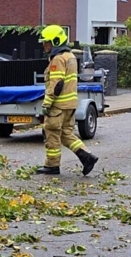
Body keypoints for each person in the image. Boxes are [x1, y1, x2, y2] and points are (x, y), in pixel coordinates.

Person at [35, 25, 98, 176]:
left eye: (47, 42)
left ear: (56, 41)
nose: (44, 45)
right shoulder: (70, 57)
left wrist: (47, 102)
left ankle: (52, 166)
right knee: (66, 134)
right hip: (70, 104)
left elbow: (57, 83)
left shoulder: (58, 59)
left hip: (58, 105)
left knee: (52, 134)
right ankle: (87, 157)